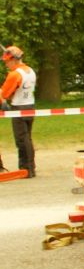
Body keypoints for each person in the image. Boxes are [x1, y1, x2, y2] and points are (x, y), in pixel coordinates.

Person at [1, 44, 36, 178]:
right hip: (30, 106)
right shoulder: (30, 71)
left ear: (14, 60)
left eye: (7, 61)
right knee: (28, 138)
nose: (6, 64)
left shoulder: (14, 75)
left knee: (21, 140)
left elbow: (5, 94)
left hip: (19, 108)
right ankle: (31, 167)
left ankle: (26, 169)